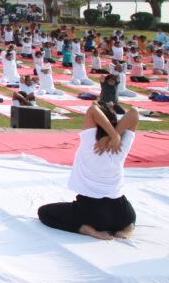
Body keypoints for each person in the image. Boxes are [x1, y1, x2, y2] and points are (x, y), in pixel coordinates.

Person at [37, 102, 139, 239]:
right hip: (122, 214)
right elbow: (134, 112)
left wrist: (112, 136)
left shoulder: (90, 142)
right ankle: (128, 227)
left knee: (44, 212)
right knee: (128, 217)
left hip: (92, 213)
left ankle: (86, 230)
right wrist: (115, 135)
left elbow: (92, 109)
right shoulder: (121, 144)